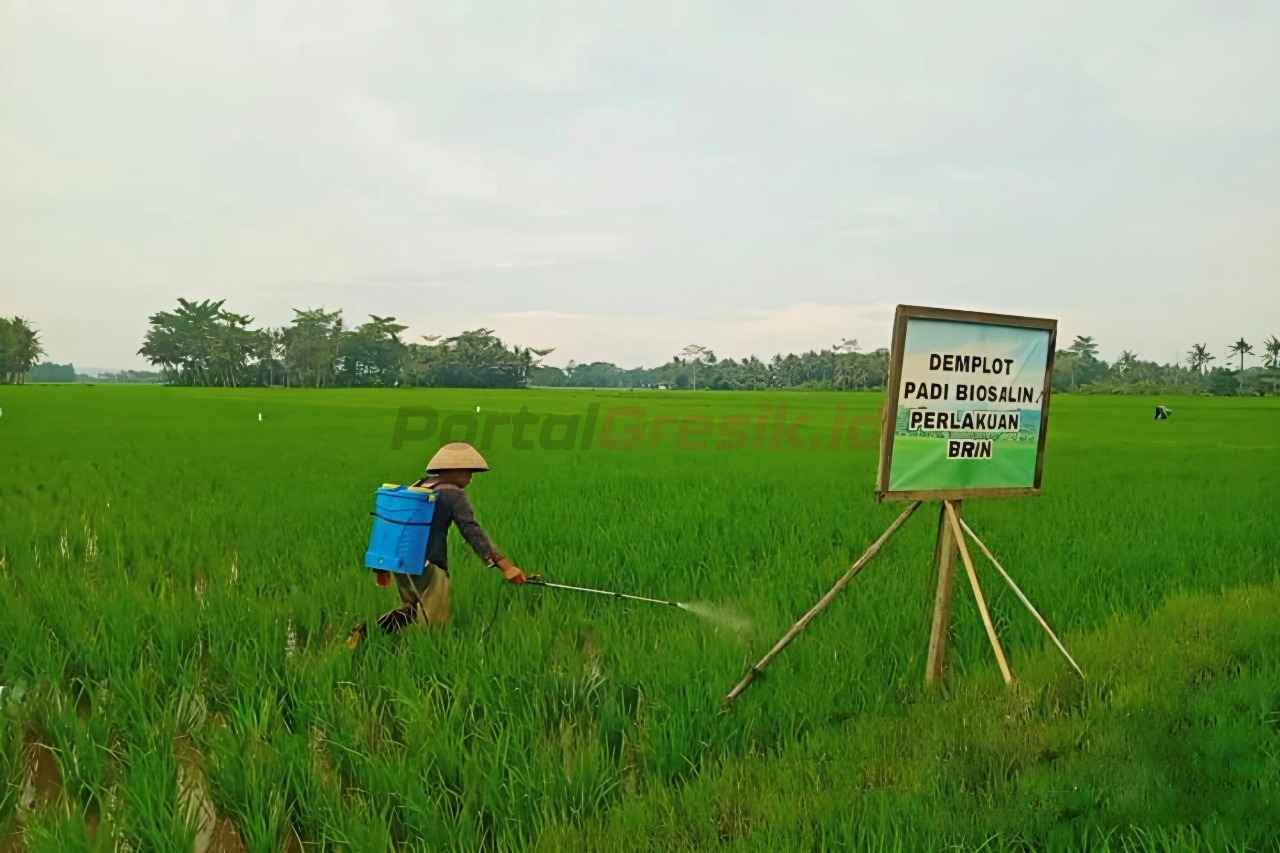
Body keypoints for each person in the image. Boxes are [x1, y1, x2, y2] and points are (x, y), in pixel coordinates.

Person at [347, 442, 525, 648]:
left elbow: (391, 526)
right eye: (468, 472)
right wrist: (506, 566)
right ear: (454, 470)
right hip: (430, 566)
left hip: (403, 562)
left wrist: (381, 568)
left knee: (412, 609)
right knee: (435, 623)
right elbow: (472, 531)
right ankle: (424, 662)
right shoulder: (453, 493)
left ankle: (366, 633)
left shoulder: (421, 486)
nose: (470, 478)